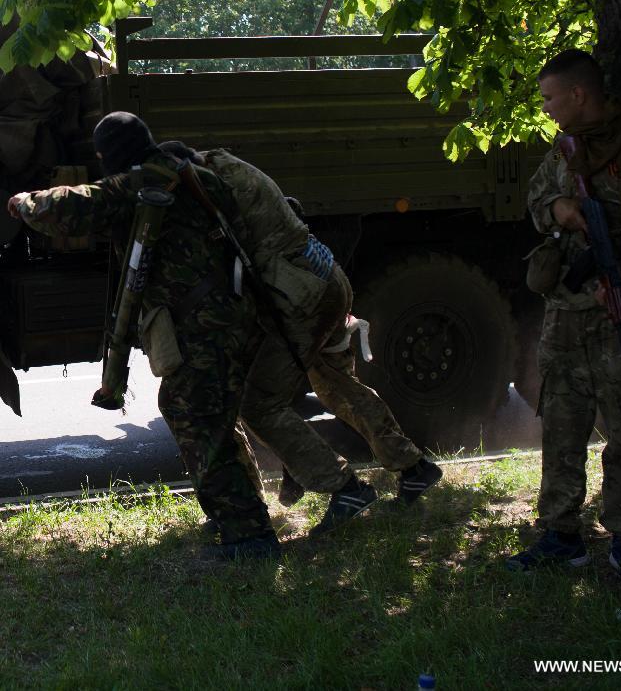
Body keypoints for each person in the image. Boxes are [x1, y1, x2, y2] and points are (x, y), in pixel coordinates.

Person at [7, 113, 277, 561]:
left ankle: (249, 536)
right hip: (234, 314)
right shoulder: (197, 176)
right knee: (209, 417)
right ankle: (242, 514)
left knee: (195, 418)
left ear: (112, 153)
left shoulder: (141, 184)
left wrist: (23, 202)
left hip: (200, 326)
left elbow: (73, 207)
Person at [159, 141, 443, 535]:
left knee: (258, 403)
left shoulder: (214, 188)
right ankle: (413, 467)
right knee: (335, 386)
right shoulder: (229, 170)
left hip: (302, 301)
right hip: (322, 288)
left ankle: (344, 487)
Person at [506, 49, 621, 580]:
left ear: (578, 94)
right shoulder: (563, 153)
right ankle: (560, 534)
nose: (545, 109)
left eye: (549, 98)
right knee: (561, 425)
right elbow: (537, 201)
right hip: (566, 314)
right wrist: (559, 209)